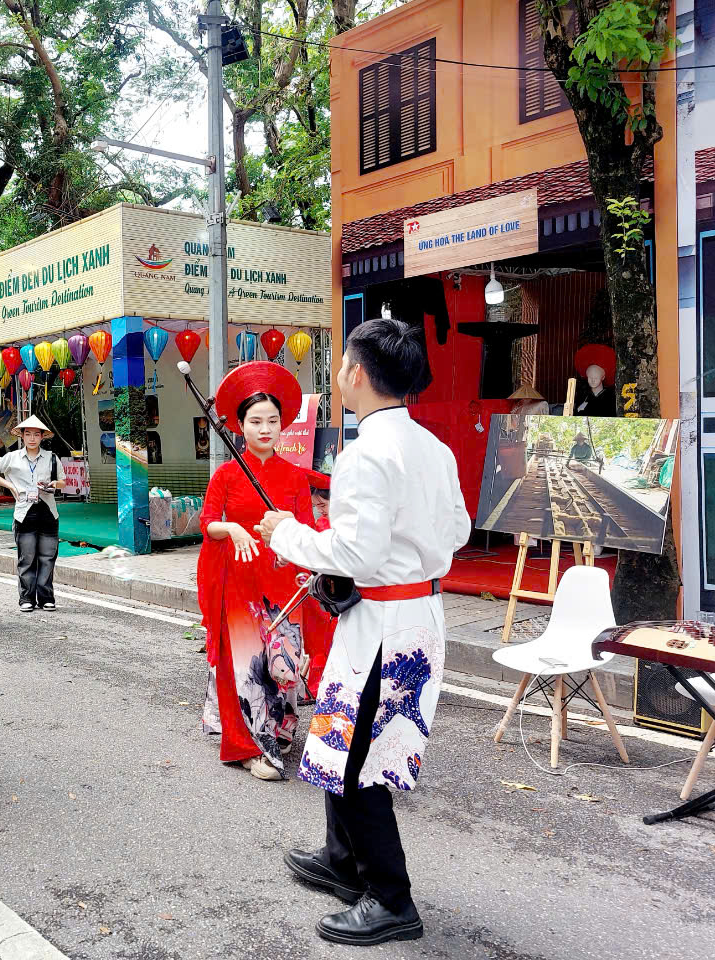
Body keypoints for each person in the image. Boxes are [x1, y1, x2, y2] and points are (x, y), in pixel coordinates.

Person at [256, 317, 471, 947]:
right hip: (411, 618)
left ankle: (390, 897)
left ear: (356, 372)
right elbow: (457, 532)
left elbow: (352, 553)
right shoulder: (434, 448)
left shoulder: (363, 454)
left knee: (358, 760)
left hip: (382, 625)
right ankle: (343, 862)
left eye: (343, 362)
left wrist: (285, 534)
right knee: (341, 739)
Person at [196, 362, 315, 782]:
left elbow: (308, 528)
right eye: (255, 420)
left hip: (284, 581)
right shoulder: (227, 473)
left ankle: (280, 728)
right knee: (247, 663)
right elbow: (208, 521)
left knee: (284, 663)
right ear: (240, 426)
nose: (265, 428)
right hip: (241, 578)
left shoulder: (295, 476)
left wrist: (293, 546)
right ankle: (246, 747)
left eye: (273, 420)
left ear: (283, 425)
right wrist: (232, 528)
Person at [0, 415, 65, 613]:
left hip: (48, 511)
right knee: (27, 557)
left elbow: (62, 482)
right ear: (22, 436)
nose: (32, 438)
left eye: (36, 434)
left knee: (48, 557)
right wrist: (10, 486)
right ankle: (26, 598)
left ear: (42, 437)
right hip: (24, 512)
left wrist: (54, 484)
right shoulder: (12, 457)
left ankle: (46, 597)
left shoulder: (52, 458)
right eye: (28, 434)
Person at [299, 469, 336, 701]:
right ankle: (315, 683)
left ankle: (317, 685)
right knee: (317, 640)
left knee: (324, 639)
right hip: (320, 588)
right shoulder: (321, 523)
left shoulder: (331, 525)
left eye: (323, 504)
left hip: (333, 591)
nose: (320, 509)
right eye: (317, 505)